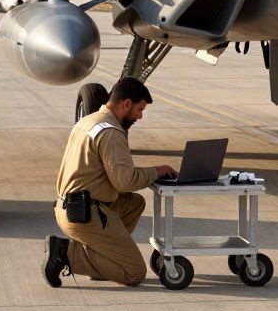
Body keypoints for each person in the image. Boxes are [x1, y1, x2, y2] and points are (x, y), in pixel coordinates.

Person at [44, 77, 178, 288]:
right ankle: (67, 253)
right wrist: (157, 171)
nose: (140, 116)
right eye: (139, 109)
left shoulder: (88, 121)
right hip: (84, 214)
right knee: (133, 272)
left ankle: (103, 257)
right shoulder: (111, 132)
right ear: (126, 104)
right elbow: (125, 181)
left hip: (69, 207)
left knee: (134, 203)